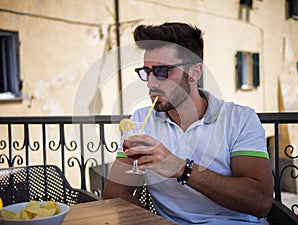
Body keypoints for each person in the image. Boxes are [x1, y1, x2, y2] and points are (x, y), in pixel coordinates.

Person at [103, 22, 273, 225]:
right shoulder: (141, 121)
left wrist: (182, 168)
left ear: (195, 72)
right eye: (146, 72)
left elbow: (260, 202)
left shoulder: (240, 119)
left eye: (162, 71)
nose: (150, 83)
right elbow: (115, 191)